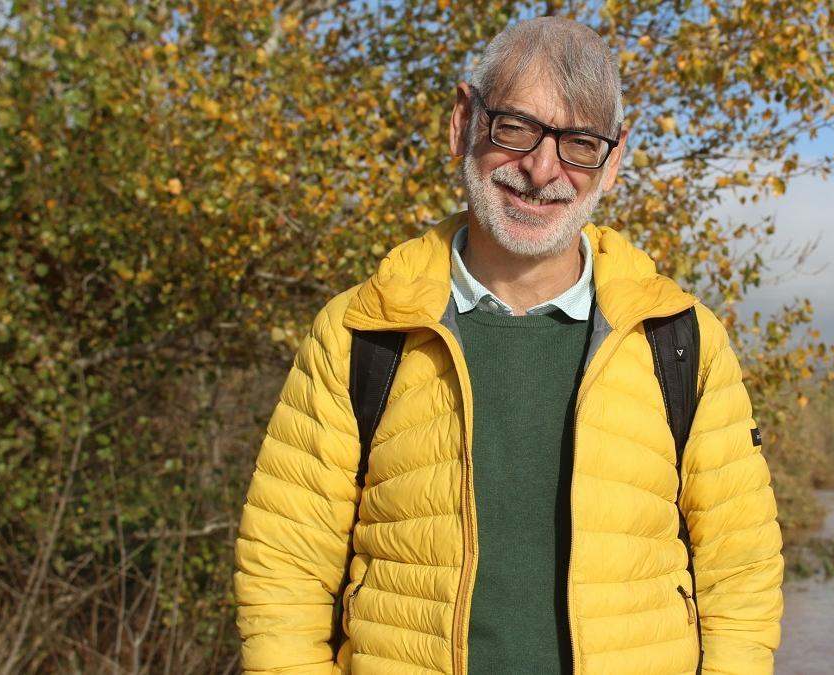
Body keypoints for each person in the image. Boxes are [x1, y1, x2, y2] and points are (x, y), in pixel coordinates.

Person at [234, 16, 783, 675]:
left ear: (613, 161)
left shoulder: (680, 340)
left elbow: (741, 572)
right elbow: (284, 571)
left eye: (580, 143)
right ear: (463, 121)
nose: (542, 168)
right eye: (516, 127)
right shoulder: (361, 332)